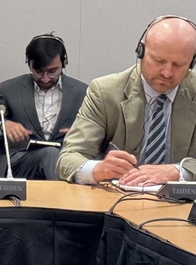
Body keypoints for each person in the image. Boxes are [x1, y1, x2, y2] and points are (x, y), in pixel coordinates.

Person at [57, 15, 196, 185]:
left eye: (178, 65)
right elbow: (68, 157)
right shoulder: (105, 92)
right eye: (158, 61)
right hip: (118, 196)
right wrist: (98, 169)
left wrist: (179, 172)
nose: (166, 73)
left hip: (183, 200)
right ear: (140, 52)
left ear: (192, 63)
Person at [0, 34, 87, 179]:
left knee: (56, 157)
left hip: (66, 160)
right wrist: (3, 126)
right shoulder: (10, 89)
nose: (45, 79)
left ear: (64, 63)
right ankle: (63, 194)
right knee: (50, 154)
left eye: (52, 71)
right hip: (20, 163)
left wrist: (82, 133)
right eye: (38, 72)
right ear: (28, 63)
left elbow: (99, 134)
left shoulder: (82, 92)